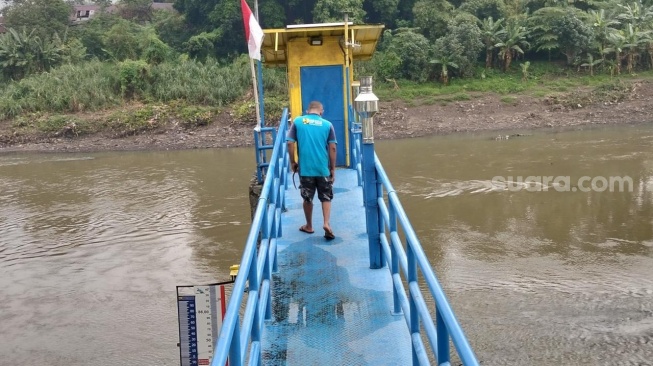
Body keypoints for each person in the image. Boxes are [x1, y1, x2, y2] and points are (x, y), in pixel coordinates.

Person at [286, 101, 337, 240]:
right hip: (322, 169)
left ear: (307, 111)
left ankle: (309, 226)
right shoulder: (327, 125)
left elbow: (290, 142)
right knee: (326, 196)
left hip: (306, 169)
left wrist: (292, 161)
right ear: (321, 111)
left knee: (307, 198)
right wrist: (332, 168)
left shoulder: (298, 121)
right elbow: (332, 148)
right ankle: (326, 224)